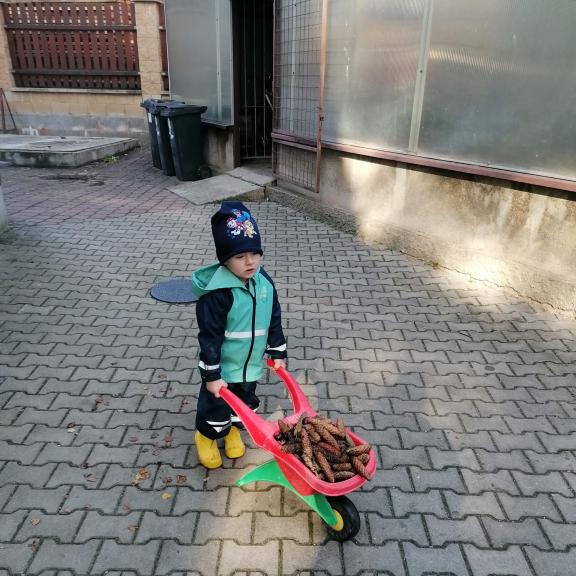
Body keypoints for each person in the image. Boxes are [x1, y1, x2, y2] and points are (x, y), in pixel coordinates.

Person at [191, 201, 287, 469]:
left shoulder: (264, 283)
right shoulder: (217, 295)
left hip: (250, 366)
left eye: (255, 253)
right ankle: (206, 437)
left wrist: (277, 350)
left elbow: (273, 316)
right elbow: (209, 338)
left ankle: (233, 430)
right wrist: (212, 376)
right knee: (215, 408)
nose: (250, 261)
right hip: (223, 368)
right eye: (240, 256)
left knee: (244, 404)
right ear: (225, 259)